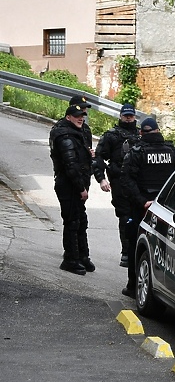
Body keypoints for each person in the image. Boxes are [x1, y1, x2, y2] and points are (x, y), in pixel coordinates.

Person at [119, 117, 175, 298]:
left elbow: (126, 181)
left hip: (142, 209)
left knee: (137, 244)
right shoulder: (174, 152)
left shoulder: (136, 152)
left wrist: (143, 201)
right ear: (158, 131)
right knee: (167, 249)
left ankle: (134, 286)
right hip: (169, 211)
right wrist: (169, 203)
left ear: (141, 132)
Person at [49, 95, 95, 275]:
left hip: (80, 180)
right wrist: (81, 188)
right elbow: (70, 164)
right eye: (79, 111)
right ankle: (70, 258)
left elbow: (83, 156)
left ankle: (82, 256)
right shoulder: (63, 133)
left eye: (84, 111)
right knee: (72, 220)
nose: (83, 114)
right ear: (70, 114)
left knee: (80, 219)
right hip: (69, 183)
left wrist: (89, 154)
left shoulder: (83, 129)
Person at [92, 103, 139, 267]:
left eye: (130, 116)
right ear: (120, 116)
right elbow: (98, 158)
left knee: (141, 217)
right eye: (125, 115)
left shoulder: (141, 135)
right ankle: (126, 253)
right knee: (125, 217)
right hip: (119, 181)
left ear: (134, 117)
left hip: (139, 183)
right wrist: (101, 179)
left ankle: (137, 252)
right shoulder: (111, 136)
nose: (128, 118)